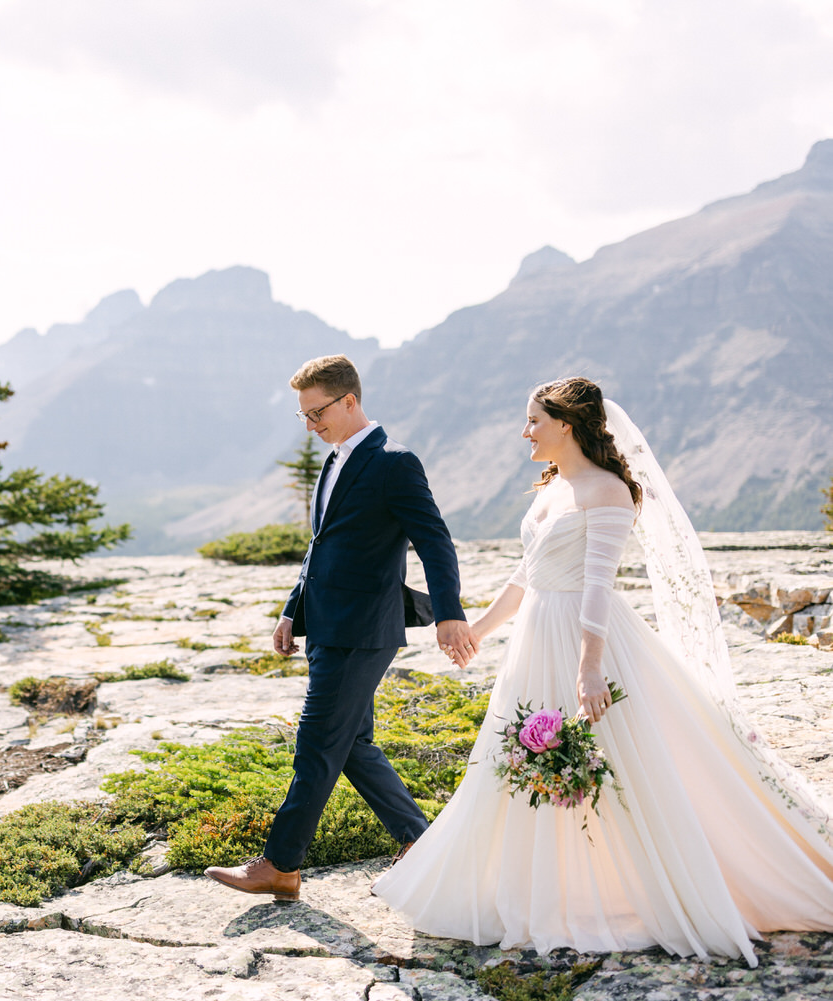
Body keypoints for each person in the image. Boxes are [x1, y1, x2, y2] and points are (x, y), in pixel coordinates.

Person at [373, 377, 833, 966]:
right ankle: (541, 891)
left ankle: (639, 887)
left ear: (566, 424)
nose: (525, 432)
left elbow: (598, 584)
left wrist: (590, 669)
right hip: (536, 636)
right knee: (523, 763)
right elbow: (526, 577)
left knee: (614, 766)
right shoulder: (550, 489)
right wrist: (478, 632)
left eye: (534, 420)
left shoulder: (608, 491)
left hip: (587, 640)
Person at [205, 354, 475, 903]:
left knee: (316, 742)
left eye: (317, 411)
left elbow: (434, 540)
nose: (310, 424)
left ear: (350, 400)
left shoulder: (395, 462)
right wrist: (291, 610)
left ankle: (281, 865)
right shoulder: (333, 461)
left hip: (362, 630)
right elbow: (319, 546)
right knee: (351, 744)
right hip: (325, 625)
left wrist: (450, 613)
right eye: (302, 415)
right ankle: (422, 845)